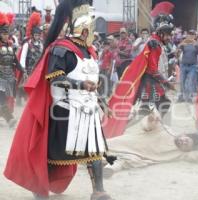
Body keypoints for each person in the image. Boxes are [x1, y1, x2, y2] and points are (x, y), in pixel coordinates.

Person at [4, 1, 115, 200]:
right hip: (64, 109)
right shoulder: (60, 49)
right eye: (87, 22)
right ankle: (39, 187)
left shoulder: (90, 51)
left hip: (87, 109)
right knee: (54, 153)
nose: (90, 26)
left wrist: (102, 102)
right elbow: (56, 79)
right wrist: (82, 87)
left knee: (94, 151)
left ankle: (98, 190)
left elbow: (91, 82)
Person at [102, 1, 176, 138]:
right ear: (160, 32)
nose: (169, 37)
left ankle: (123, 129)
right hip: (149, 83)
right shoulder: (154, 44)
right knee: (157, 106)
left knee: (149, 108)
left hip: (149, 82)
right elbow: (153, 69)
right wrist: (167, 83)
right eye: (167, 34)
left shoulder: (157, 42)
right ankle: (168, 135)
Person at [104, 112, 198, 178]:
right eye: (186, 140)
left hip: (137, 156)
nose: (183, 142)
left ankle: (109, 169)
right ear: (184, 134)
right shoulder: (166, 130)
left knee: (126, 160)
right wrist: (151, 119)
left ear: (186, 150)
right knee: (102, 146)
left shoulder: (179, 153)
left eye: (186, 145)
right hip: (128, 143)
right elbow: (147, 126)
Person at [0, 12, 25, 128]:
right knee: (2, 100)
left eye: (7, 33)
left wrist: (23, 70)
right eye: (3, 33)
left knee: (5, 99)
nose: (6, 36)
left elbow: (15, 61)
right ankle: (10, 119)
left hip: (8, 77)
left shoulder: (10, 46)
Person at [177, 29, 198, 102]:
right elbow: (178, 50)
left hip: (193, 66)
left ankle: (189, 97)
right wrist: (181, 45)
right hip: (184, 65)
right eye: (189, 34)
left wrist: (196, 46)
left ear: (195, 36)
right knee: (182, 81)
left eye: (192, 35)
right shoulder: (184, 43)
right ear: (187, 35)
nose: (191, 36)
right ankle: (181, 97)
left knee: (190, 81)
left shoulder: (197, 44)